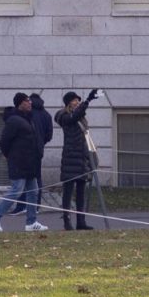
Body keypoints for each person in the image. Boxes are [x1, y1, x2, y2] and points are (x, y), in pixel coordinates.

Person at [0, 93, 47, 232]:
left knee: (33, 191)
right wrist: (10, 156)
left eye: (30, 101)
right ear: (20, 103)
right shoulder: (14, 120)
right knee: (16, 190)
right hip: (19, 162)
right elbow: (4, 141)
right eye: (27, 101)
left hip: (30, 163)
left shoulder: (28, 119)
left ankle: (31, 222)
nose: (30, 103)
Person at [54, 89, 99, 230]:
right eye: (75, 100)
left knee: (81, 192)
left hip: (81, 158)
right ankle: (67, 221)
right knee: (67, 193)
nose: (77, 102)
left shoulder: (79, 117)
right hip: (70, 159)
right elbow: (74, 116)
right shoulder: (64, 116)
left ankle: (81, 221)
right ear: (68, 102)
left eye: (78, 100)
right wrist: (88, 101)